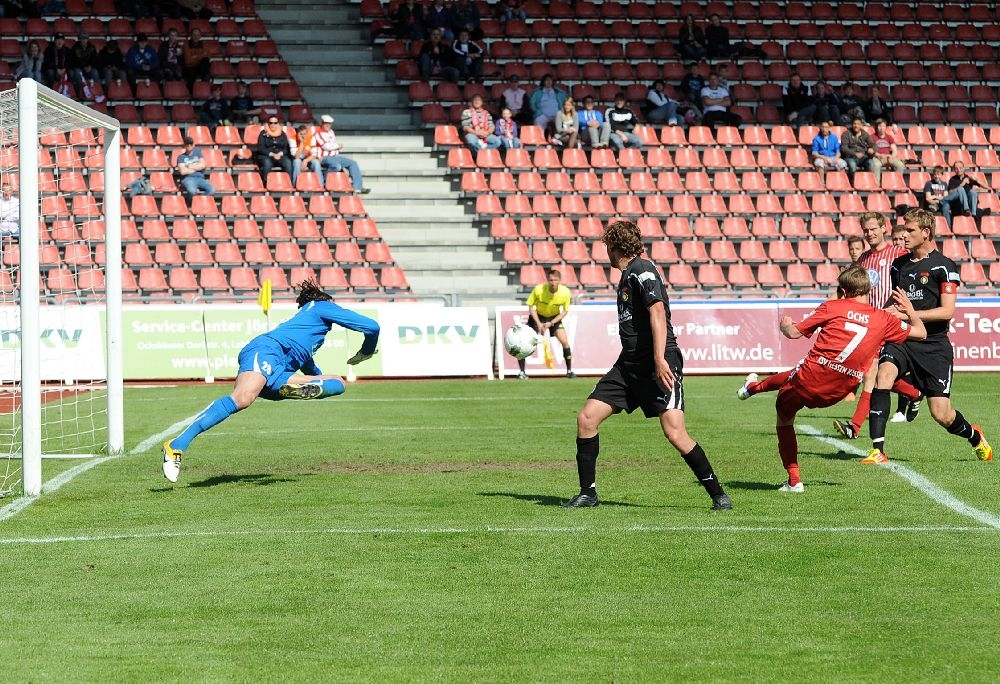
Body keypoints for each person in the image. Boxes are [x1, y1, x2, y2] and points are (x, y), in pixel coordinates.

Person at [564, 220, 732, 510]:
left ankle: (718, 495)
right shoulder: (628, 274)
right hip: (628, 366)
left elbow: (657, 313)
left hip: (658, 363)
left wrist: (659, 359)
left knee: (675, 433)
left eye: (607, 246)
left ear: (614, 247)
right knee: (587, 418)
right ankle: (588, 493)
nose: (605, 252)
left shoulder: (642, 270)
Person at [161, 280, 381, 483]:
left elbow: (309, 368)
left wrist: (321, 383)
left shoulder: (307, 330)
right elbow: (372, 327)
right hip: (268, 350)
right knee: (242, 398)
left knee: (339, 382)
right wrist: (366, 352)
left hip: (281, 370)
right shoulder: (320, 306)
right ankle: (176, 445)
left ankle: (292, 389)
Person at [757, 266, 927, 491]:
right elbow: (921, 333)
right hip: (838, 391)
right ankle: (752, 388)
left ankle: (794, 480)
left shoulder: (832, 307)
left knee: (784, 413)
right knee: (870, 378)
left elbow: (794, 333)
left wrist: (785, 325)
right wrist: (910, 311)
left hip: (810, 378)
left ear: (843, 291)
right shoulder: (883, 319)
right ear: (869, 290)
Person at [863, 209, 992, 464]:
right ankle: (878, 451)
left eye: (910, 230)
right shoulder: (898, 265)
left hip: (933, 346)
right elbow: (897, 300)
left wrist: (910, 313)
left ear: (926, 232)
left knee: (941, 414)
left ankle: (975, 437)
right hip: (904, 338)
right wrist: (880, 314)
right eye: (903, 229)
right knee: (883, 375)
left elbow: (947, 311)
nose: (904, 235)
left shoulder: (944, 266)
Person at [833, 213, 921, 440]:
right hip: (869, 323)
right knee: (876, 373)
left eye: (873, 229)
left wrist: (898, 309)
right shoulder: (862, 259)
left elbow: (908, 283)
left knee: (871, 372)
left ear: (883, 228)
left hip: (889, 323)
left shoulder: (898, 254)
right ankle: (914, 393)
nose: (870, 233)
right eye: (866, 230)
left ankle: (854, 427)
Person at [519, 268, 574, 380]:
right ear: (548, 280)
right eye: (551, 280)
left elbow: (565, 311)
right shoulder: (539, 290)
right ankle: (522, 372)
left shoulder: (565, 292)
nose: (553, 283)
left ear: (560, 281)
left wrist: (551, 323)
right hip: (538, 316)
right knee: (523, 342)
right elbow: (531, 307)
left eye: (556, 280)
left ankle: (569, 371)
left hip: (553, 318)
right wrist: (539, 323)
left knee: (565, 342)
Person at [309, 114, 370, 194]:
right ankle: (325, 178)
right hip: (325, 157)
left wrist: (336, 147)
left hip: (335, 157)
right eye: (326, 123)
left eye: (329, 124)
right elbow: (325, 146)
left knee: (353, 163)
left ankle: (357, 187)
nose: (328, 125)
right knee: (336, 166)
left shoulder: (331, 132)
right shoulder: (318, 133)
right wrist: (338, 146)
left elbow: (332, 144)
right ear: (322, 123)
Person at [870, 118, 905, 184]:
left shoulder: (889, 137)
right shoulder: (872, 137)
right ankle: (876, 185)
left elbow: (895, 150)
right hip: (877, 157)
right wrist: (879, 155)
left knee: (900, 165)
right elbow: (871, 150)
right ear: (876, 127)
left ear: (886, 127)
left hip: (888, 157)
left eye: (883, 126)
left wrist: (891, 157)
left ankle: (897, 183)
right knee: (876, 165)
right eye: (879, 126)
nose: (881, 128)